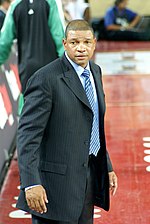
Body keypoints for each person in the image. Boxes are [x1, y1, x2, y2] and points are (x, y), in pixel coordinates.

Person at [16, 19, 118, 224]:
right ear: (64, 43)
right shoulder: (45, 79)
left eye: (86, 42)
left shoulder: (95, 72)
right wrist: (31, 183)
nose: (81, 48)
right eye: (74, 42)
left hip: (86, 179)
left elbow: (93, 123)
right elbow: (28, 137)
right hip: (53, 188)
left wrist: (106, 166)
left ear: (94, 43)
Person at [0, 0, 64, 94]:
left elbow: (4, 42)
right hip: (51, 69)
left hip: (27, 71)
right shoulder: (50, 2)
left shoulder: (15, 5)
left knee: (29, 106)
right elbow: (59, 38)